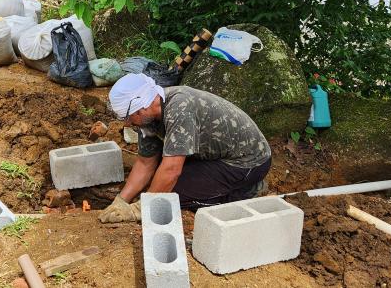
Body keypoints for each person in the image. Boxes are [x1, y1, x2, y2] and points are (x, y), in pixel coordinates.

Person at [99, 73, 271, 223]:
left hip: (247, 162)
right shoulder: (148, 119)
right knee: (158, 182)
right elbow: (145, 163)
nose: (127, 123)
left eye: (128, 117)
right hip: (213, 154)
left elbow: (172, 170)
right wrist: (121, 201)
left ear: (140, 107)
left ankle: (246, 191)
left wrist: (140, 210)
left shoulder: (179, 108)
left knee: (171, 194)